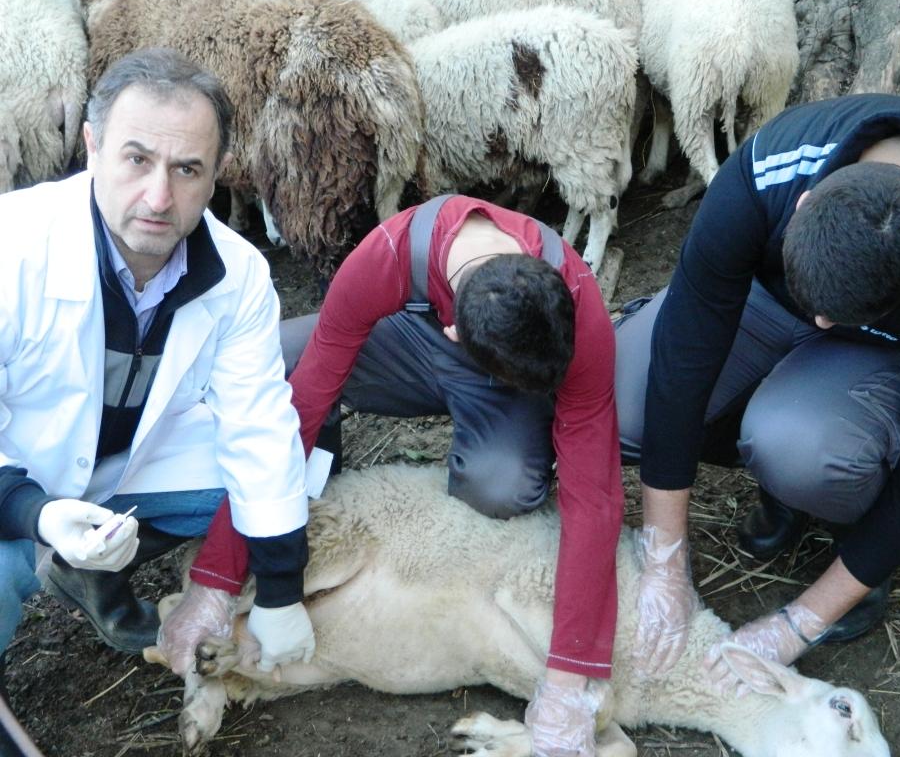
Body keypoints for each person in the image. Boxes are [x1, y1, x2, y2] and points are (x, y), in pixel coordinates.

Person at [164, 193, 625, 756]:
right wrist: (215, 583)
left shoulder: (576, 304)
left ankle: (507, 431)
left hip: (502, 373)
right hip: (412, 343)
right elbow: (303, 406)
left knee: (502, 485)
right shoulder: (385, 256)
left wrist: (569, 675)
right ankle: (307, 498)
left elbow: (595, 496)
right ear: (456, 331)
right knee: (278, 365)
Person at [615, 92, 900, 685]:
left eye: (832, 317)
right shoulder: (767, 169)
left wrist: (800, 623)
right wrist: (664, 559)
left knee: (805, 450)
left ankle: (837, 514)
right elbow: (685, 352)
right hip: (770, 296)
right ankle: (777, 469)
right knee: (625, 403)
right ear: (805, 204)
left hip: (886, 344)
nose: (821, 323)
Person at [0, 48, 316, 681]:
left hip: (133, 462)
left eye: (187, 168)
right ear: (92, 147)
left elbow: (257, 426)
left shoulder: (239, 274)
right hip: (15, 476)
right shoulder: (14, 247)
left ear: (218, 175)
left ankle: (91, 568)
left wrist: (282, 591)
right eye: (137, 159)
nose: (159, 196)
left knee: (295, 476)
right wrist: (34, 511)